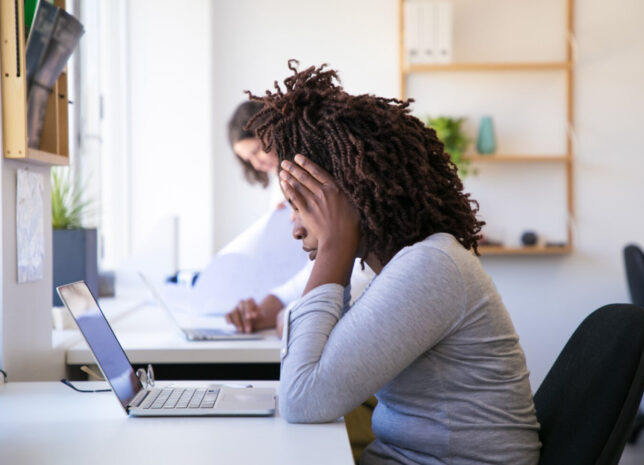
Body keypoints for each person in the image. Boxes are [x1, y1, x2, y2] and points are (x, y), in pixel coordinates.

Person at [244, 61, 541, 464]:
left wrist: (334, 244)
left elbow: (301, 399)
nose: (295, 229)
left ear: (347, 195)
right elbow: (315, 362)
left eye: (301, 206)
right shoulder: (402, 267)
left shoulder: (431, 267)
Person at [224, 101, 374, 337]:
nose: (256, 163)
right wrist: (272, 305)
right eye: (248, 159)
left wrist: (290, 315)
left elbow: (348, 267)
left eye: (257, 151)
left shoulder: (327, 179)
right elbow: (315, 265)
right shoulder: (283, 186)